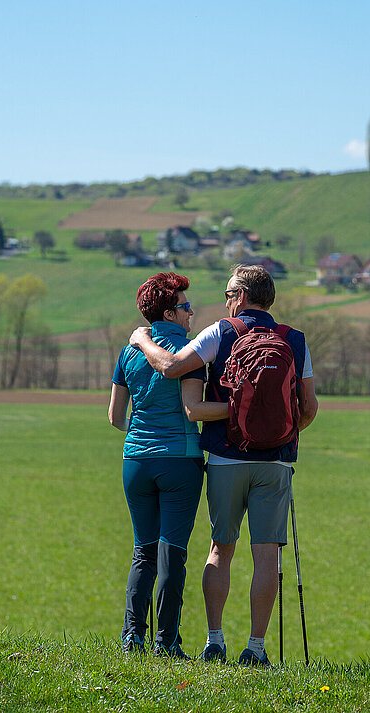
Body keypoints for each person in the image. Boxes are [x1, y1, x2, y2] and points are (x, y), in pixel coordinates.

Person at [128, 263, 318, 667]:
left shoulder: (222, 331)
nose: (227, 300)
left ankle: (215, 641)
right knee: (267, 554)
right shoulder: (295, 340)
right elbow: (309, 407)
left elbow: (171, 367)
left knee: (221, 549)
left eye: (230, 293)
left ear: (242, 295)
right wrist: (283, 432)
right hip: (277, 464)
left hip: (227, 459)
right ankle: (256, 648)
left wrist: (142, 340)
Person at [108, 271, 228, 659]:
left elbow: (114, 416)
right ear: (170, 312)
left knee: (143, 550)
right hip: (180, 461)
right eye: (185, 305)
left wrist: (143, 437)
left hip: (136, 461)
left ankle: (132, 639)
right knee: (172, 552)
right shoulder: (188, 352)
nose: (191, 311)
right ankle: (167, 643)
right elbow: (193, 408)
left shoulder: (129, 352)